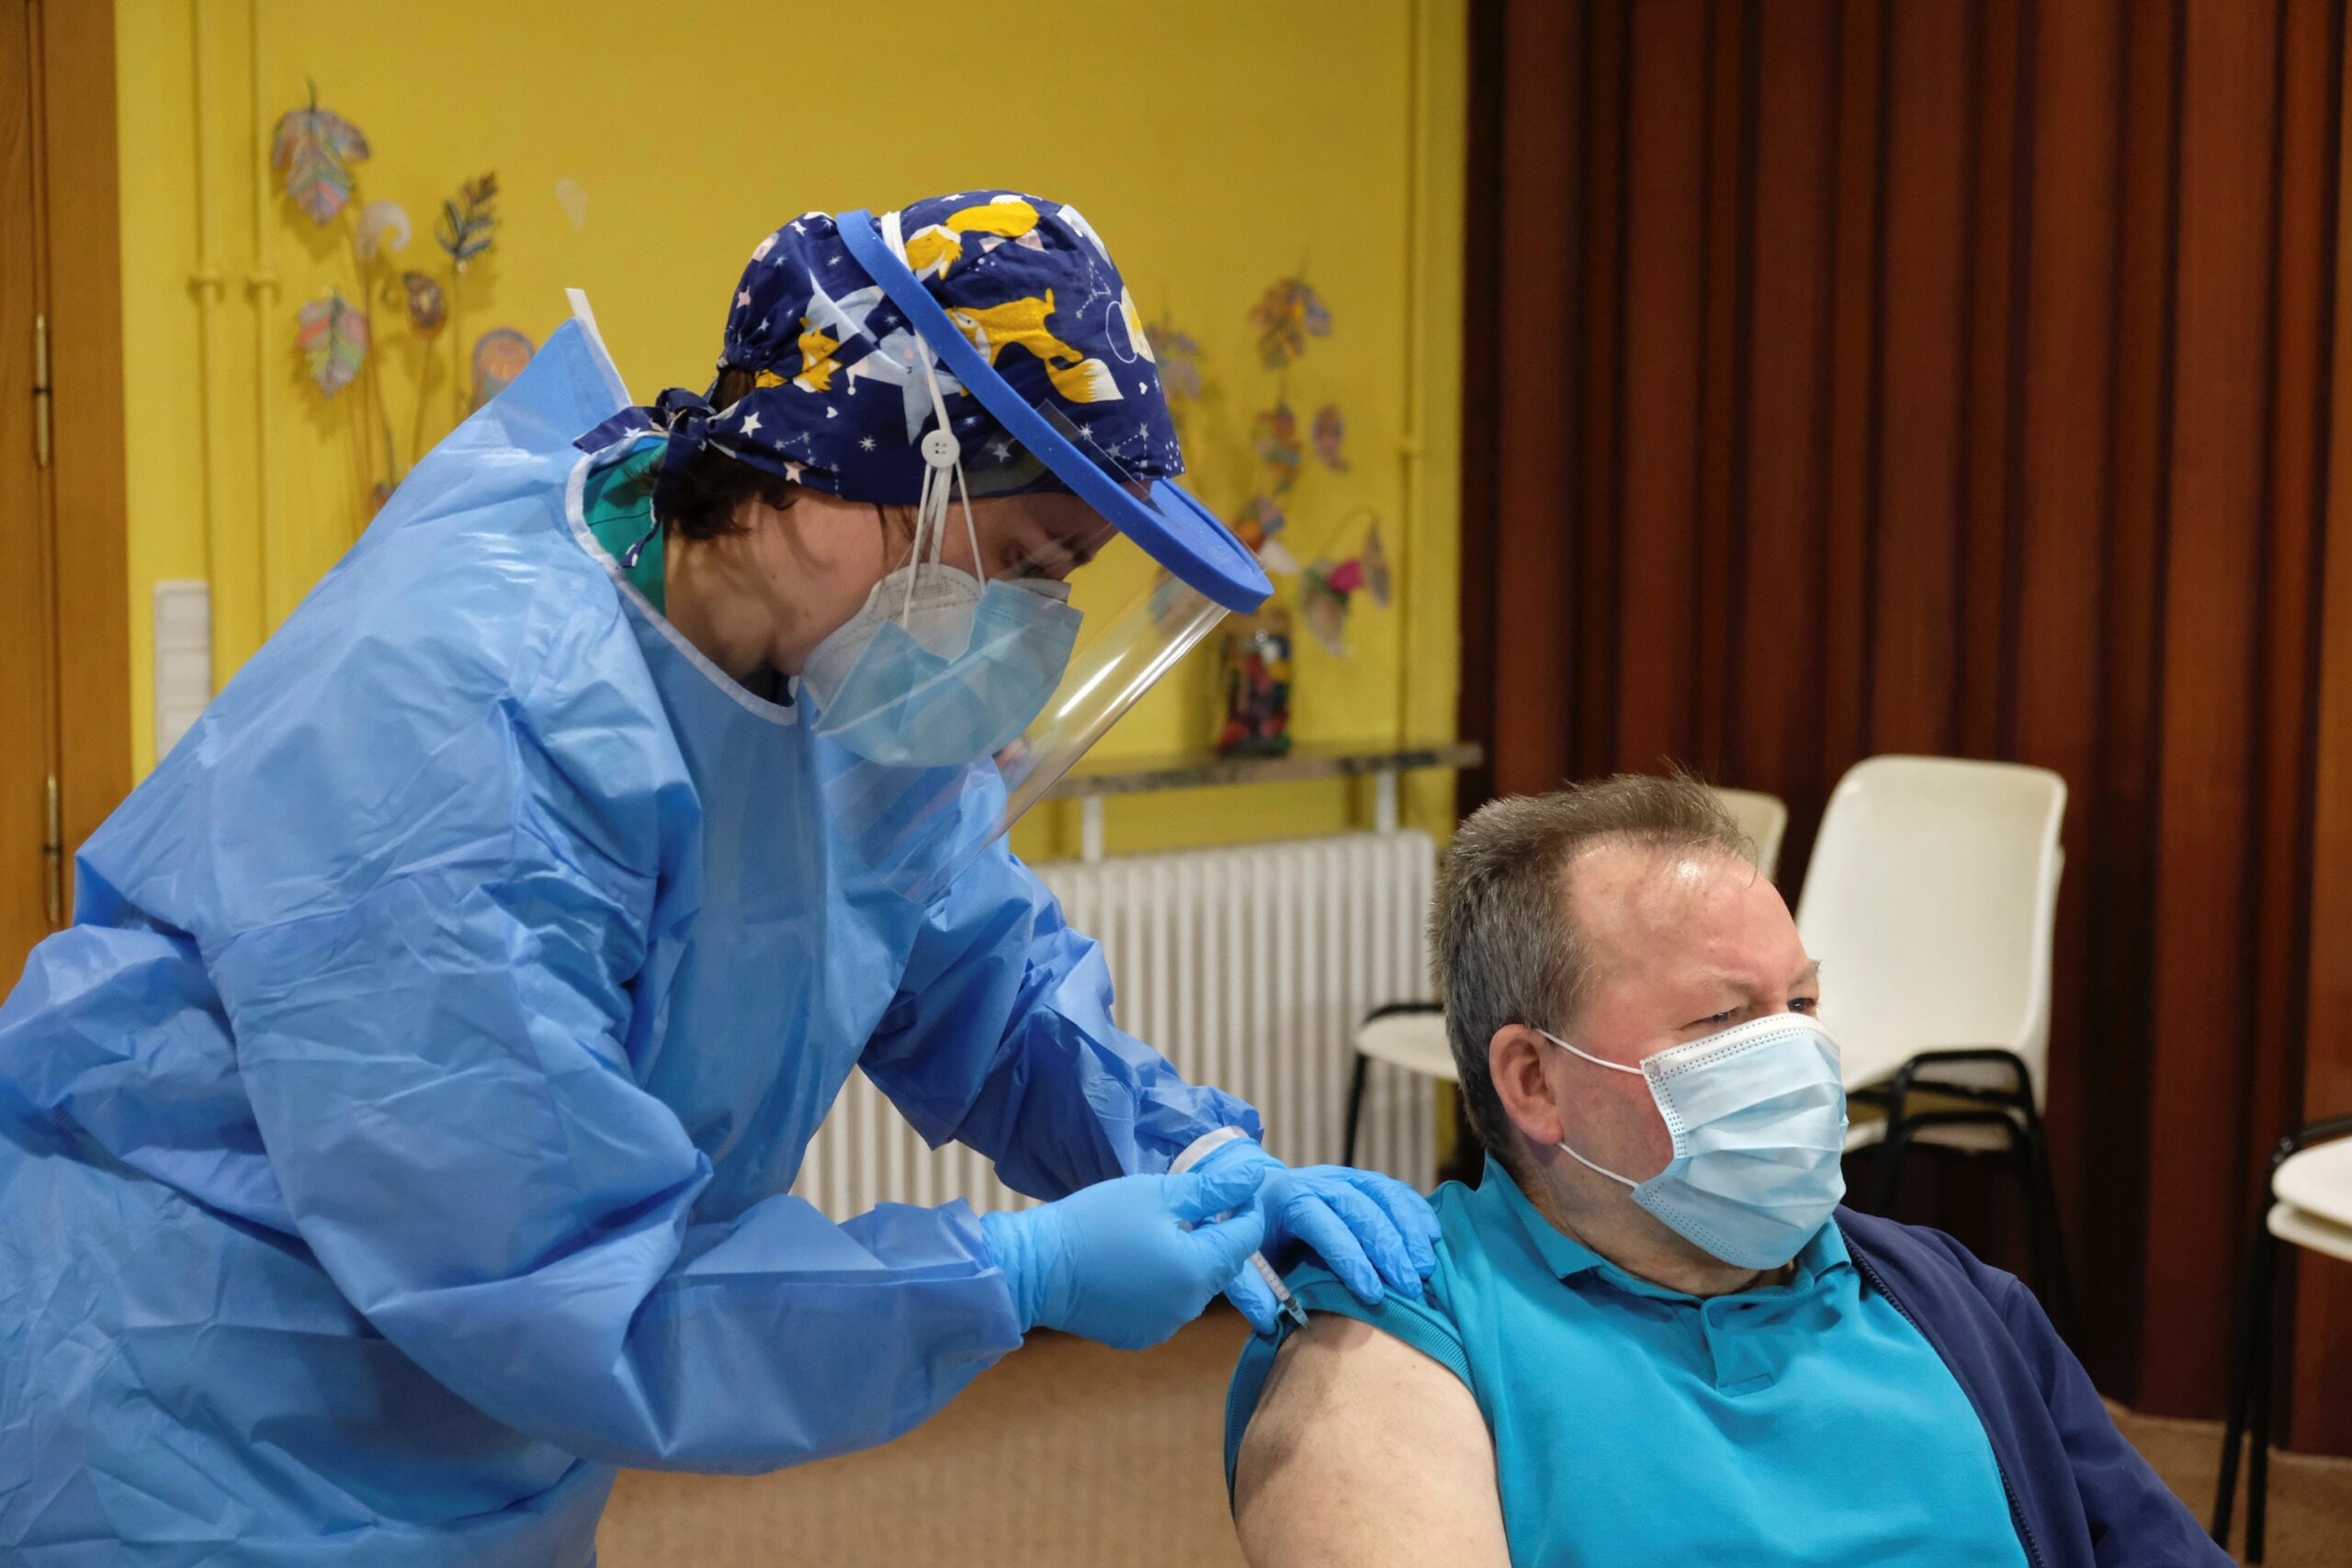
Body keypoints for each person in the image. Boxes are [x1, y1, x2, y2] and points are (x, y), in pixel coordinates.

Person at [0, 191, 1439, 1566]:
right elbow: (559, 1280)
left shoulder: (838, 676)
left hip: (481, 1440)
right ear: (851, 467)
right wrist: (1015, 1274)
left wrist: (1181, 1149)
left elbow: (981, 982)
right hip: (194, 1420)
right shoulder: (461, 733)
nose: (1028, 625)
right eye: (1022, 561)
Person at [1226, 773, 2227, 1568]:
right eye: (1722, 1018)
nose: (1794, 1054)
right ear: (1533, 1079)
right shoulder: (1403, 1334)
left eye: (1802, 1004)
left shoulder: (1955, 1302)